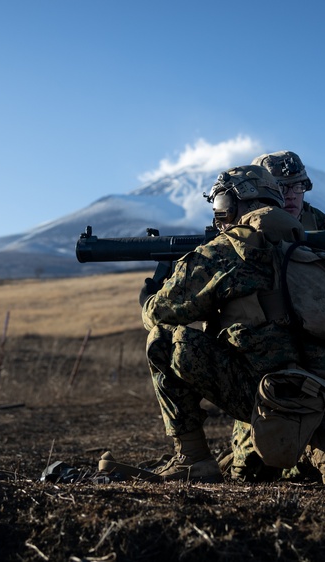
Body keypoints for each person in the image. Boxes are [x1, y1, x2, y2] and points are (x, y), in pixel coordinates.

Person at [133, 164, 311, 483]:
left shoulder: (227, 249)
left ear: (236, 204)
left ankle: (192, 458)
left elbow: (161, 314)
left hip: (263, 397)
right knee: (250, 470)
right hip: (315, 395)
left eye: (221, 206)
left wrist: (148, 297)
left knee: (162, 340)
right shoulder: (308, 246)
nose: (219, 216)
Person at [221, 150, 325, 483]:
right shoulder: (240, 227)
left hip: (317, 351)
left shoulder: (324, 229)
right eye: (282, 187)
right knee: (250, 471)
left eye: (297, 187)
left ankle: (321, 450)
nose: (290, 195)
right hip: (260, 351)